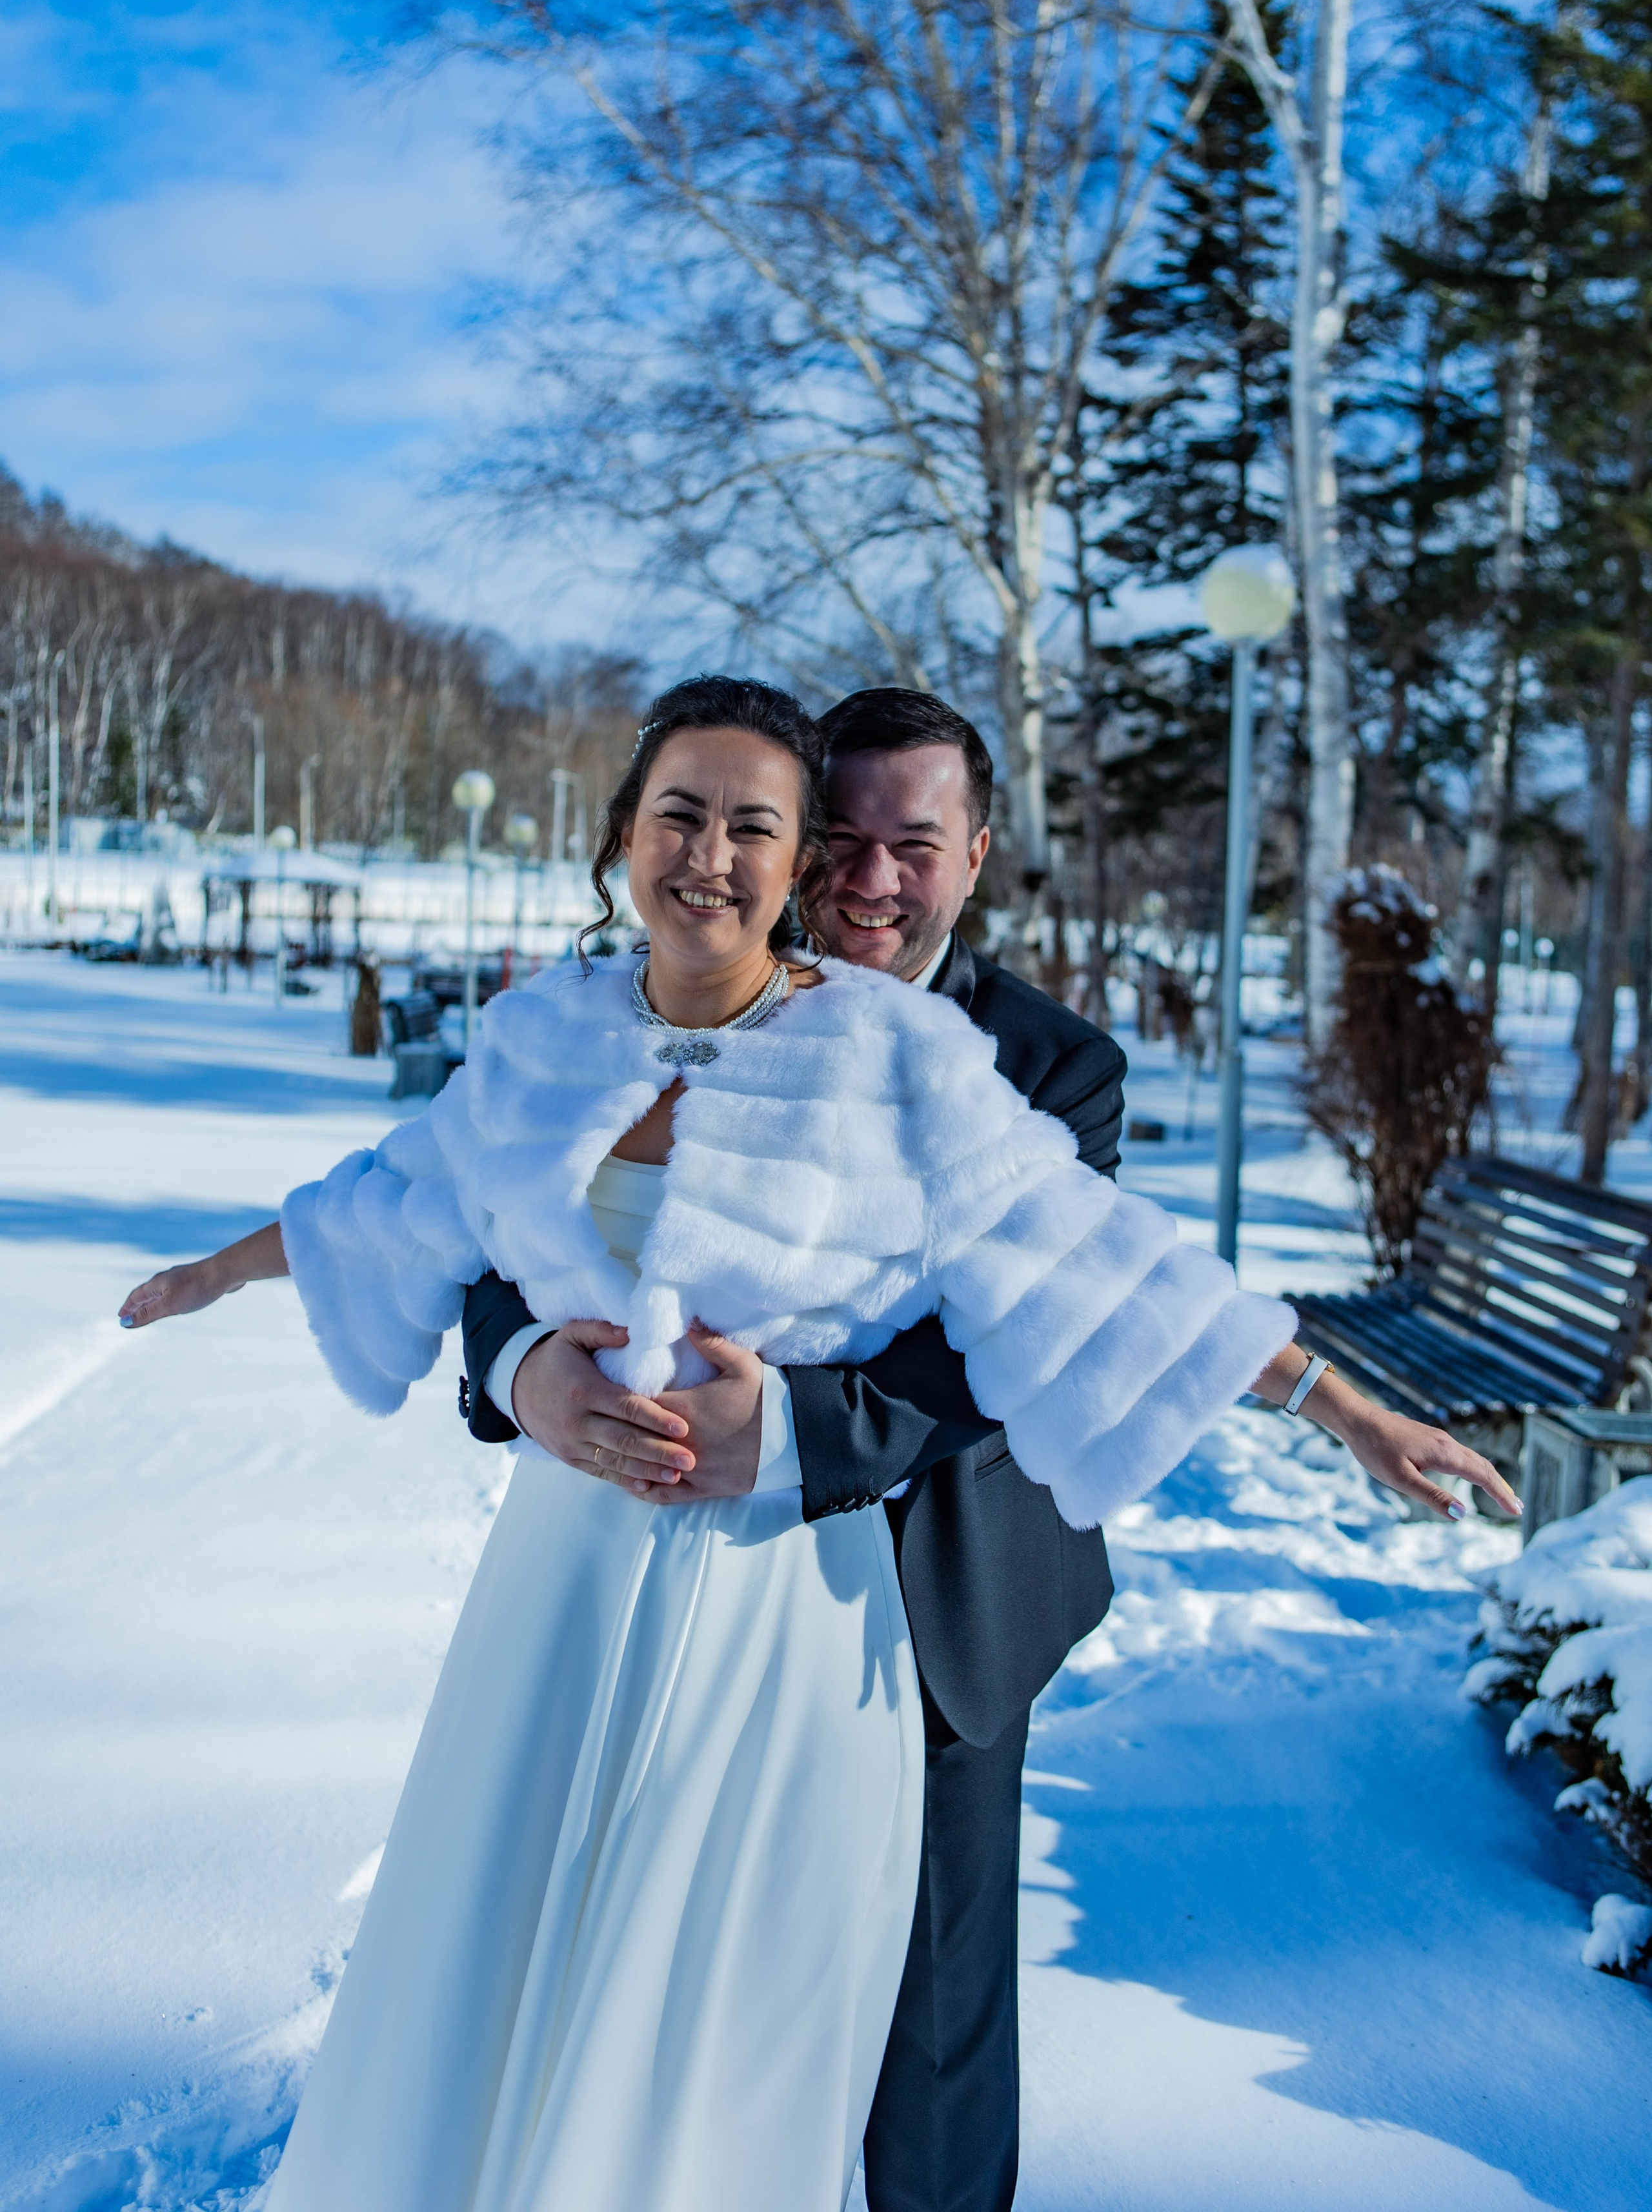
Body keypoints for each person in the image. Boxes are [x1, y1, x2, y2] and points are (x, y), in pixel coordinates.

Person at [118, 675, 1518, 2212]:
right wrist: (475, 1352)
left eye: (890, 843)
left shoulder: (959, 1065)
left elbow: (1090, 1286)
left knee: (850, 2024)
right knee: (515, 1926)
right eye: (812, 833)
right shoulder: (561, 1033)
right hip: (579, 1569)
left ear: (969, 854)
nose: (858, 875)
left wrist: (1340, 1405)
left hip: (873, 1598)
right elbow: (427, 1204)